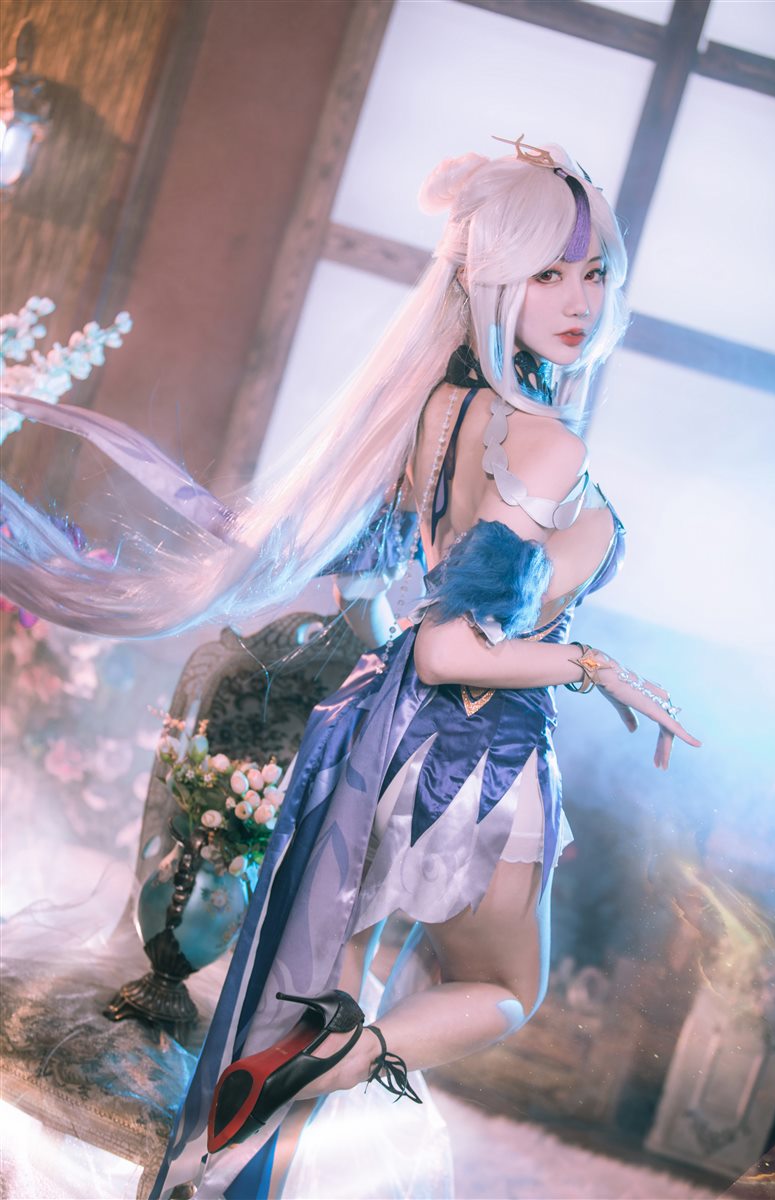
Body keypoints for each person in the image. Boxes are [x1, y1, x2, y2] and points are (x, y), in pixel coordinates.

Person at [0, 138, 700, 1199]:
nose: (578, 301)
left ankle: (229, 1161)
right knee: (504, 990)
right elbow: (452, 645)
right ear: (487, 280)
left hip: (377, 739)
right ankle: (342, 1056)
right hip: (476, 753)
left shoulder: (435, 409)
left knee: (318, 990)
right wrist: (595, 667)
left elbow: (396, 591)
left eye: (593, 271)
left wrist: (398, 684)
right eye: (546, 274)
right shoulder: (542, 442)